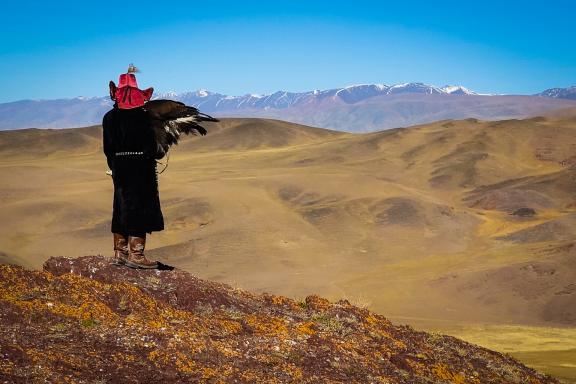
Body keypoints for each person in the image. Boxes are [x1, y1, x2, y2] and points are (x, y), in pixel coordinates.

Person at [102, 64, 164, 269]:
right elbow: (154, 148)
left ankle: (120, 253)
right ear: (139, 95)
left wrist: (115, 165)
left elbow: (107, 148)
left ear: (117, 94)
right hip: (141, 166)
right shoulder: (146, 117)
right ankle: (136, 256)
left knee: (120, 205)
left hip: (119, 166)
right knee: (139, 206)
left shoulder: (109, 118)